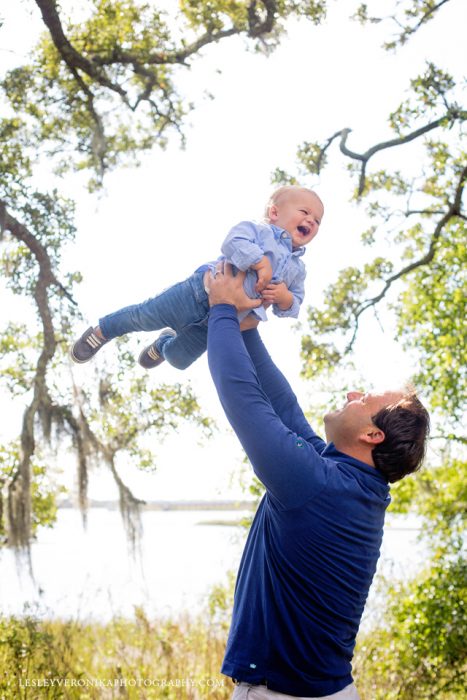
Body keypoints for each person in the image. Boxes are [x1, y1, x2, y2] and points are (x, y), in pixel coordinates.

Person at [206, 263, 430, 699]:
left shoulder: (320, 486)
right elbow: (283, 407)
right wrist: (247, 325)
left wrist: (221, 309)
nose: (351, 394)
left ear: (371, 435)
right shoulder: (345, 482)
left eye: (363, 400)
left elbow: (243, 398)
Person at [70, 185, 324, 370]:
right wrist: (259, 262)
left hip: (224, 320)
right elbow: (232, 242)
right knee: (144, 315)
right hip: (199, 293)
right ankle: (102, 331)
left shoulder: (298, 269)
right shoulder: (258, 231)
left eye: (317, 221)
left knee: (180, 360)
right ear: (275, 212)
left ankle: (162, 345)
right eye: (304, 212)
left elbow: (295, 304)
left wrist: (285, 297)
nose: (310, 220)